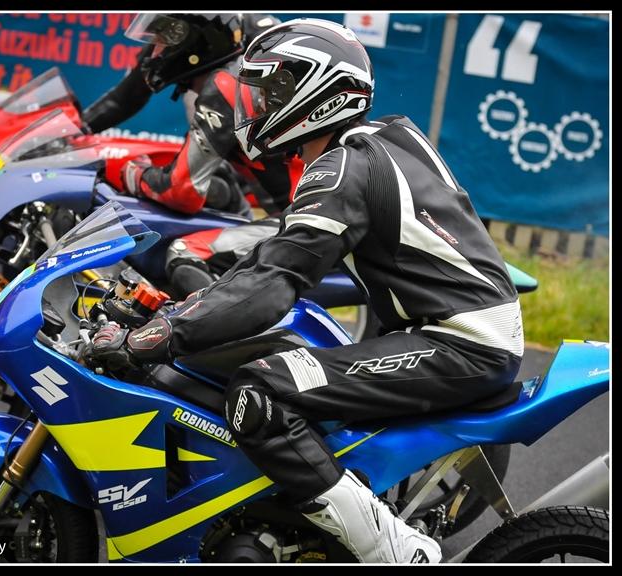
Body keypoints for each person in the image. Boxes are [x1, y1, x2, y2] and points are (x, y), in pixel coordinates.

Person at [93, 18, 525, 563]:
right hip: (461, 332)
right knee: (281, 362)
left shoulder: (342, 167)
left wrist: (160, 336)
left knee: (262, 390)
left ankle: (397, 552)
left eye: (269, 91)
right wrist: (181, 312)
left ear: (315, 93)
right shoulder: (383, 138)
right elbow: (270, 260)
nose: (254, 106)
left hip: (458, 343)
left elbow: (274, 285)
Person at [82, 13, 304, 298]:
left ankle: (232, 339)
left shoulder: (226, 83)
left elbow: (182, 191)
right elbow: (127, 95)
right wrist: (78, 128)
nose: (156, 50)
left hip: (306, 216)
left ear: (195, 41)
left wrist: (128, 172)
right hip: (304, 203)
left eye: (166, 37)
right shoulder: (233, 62)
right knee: (219, 182)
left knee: (186, 253)